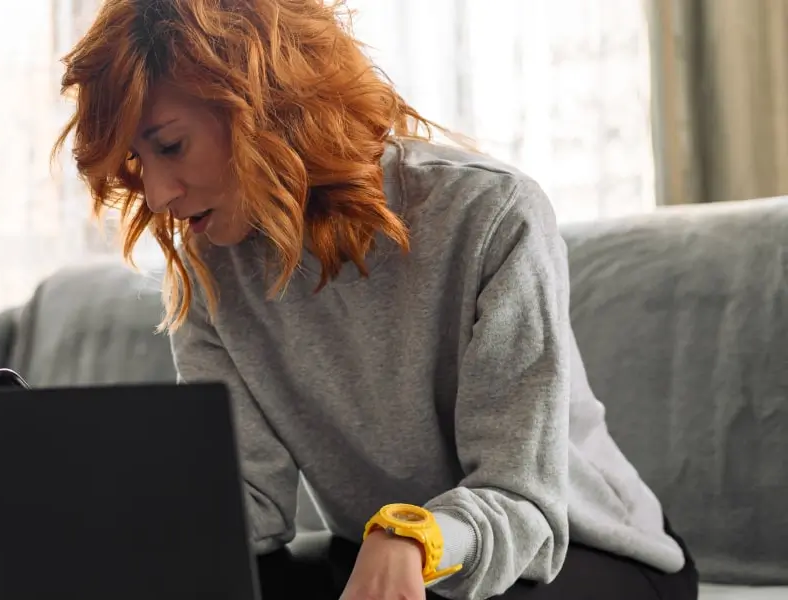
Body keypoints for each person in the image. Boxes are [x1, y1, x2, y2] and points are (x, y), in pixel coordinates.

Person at [54, 1, 699, 599]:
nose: (158, 194)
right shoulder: (209, 267)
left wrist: (413, 536)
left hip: (579, 548)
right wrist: (104, 523)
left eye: (170, 145)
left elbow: (522, 500)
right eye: (138, 161)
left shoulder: (491, 214)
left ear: (266, 102)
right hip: (382, 553)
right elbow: (251, 510)